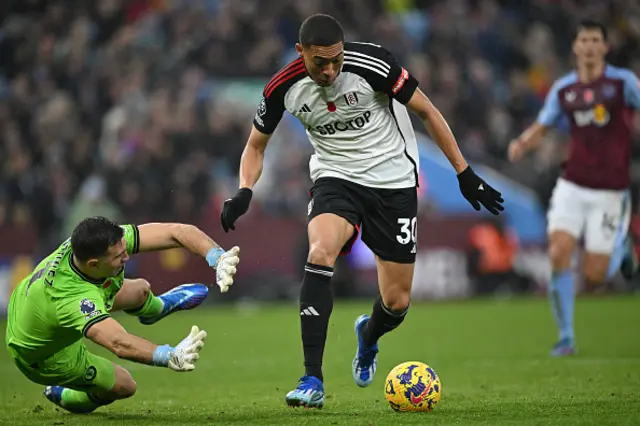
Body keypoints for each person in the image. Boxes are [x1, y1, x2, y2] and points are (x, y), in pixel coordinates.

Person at [220, 13, 503, 408]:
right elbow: (255, 146)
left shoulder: (374, 65)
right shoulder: (282, 87)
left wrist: (464, 172)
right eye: (321, 62)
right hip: (336, 179)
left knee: (397, 303)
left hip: (394, 183)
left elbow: (428, 111)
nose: (331, 69)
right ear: (301, 52)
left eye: (336, 59)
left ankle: (368, 336)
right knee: (319, 252)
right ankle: (311, 378)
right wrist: (244, 190)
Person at [5, 216, 240, 414]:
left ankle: (155, 309)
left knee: (140, 290)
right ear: (94, 264)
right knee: (124, 386)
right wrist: (169, 355)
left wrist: (216, 256)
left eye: (123, 251)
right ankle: (67, 395)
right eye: (118, 258)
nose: (126, 258)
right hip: (41, 354)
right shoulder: (73, 299)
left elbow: (175, 232)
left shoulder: (99, 244)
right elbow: (118, 343)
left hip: (35, 307)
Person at [508, 19, 640, 356]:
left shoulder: (623, 83)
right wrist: (522, 144)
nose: (591, 45)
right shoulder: (565, 89)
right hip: (572, 184)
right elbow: (544, 123)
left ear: (606, 47)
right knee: (558, 254)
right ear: (576, 47)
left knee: (595, 278)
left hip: (611, 190)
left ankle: (621, 247)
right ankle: (566, 336)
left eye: (597, 39)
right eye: (585, 39)